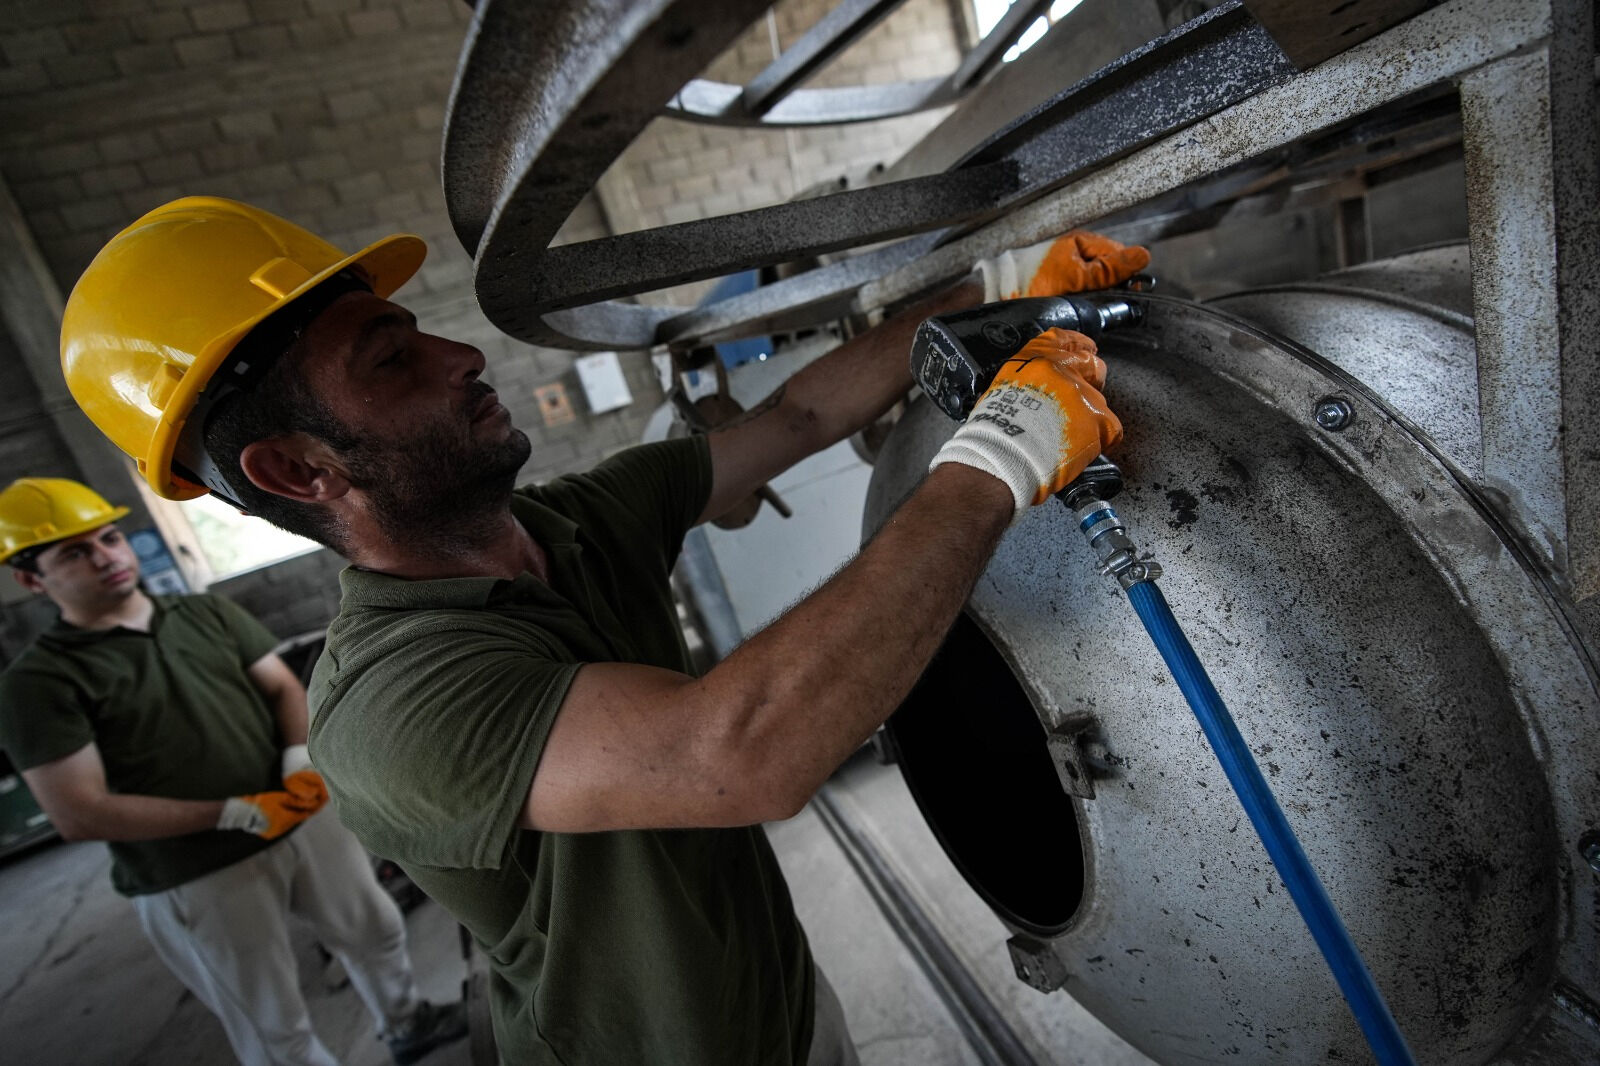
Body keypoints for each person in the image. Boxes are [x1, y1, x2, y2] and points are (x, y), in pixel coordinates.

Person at [59, 196, 1147, 1065]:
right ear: (299, 469)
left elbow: (796, 420)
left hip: (771, 998)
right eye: (391, 361)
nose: (459, 355)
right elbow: (739, 752)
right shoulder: (390, 700)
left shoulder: (569, 524)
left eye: (417, 329)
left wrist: (994, 304)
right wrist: (995, 460)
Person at [0, 476, 468, 1066]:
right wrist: (232, 812)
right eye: (75, 552)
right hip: (197, 865)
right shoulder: (39, 683)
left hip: (298, 814)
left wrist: (298, 763)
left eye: (111, 538)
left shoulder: (202, 614)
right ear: (29, 579)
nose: (107, 557)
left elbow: (280, 687)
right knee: (270, 1015)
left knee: (375, 931)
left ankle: (409, 1025)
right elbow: (80, 810)